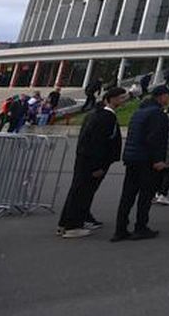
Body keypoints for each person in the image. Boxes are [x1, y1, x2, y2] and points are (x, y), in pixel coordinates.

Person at [58, 87, 126, 238]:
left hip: (85, 160)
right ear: (111, 99)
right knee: (83, 192)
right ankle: (72, 226)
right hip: (93, 162)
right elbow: (98, 143)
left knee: (78, 190)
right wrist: (98, 166)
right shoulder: (106, 117)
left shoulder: (96, 114)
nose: (124, 100)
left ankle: (67, 222)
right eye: (121, 98)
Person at [112, 85, 169, 242]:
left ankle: (120, 229)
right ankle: (141, 227)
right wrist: (158, 159)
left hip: (132, 157)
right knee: (145, 195)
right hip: (146, 160)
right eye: (167, 95)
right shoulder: (157, 114)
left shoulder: (139, 112)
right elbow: (155, 139)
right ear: (161, 97)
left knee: (128, 195)